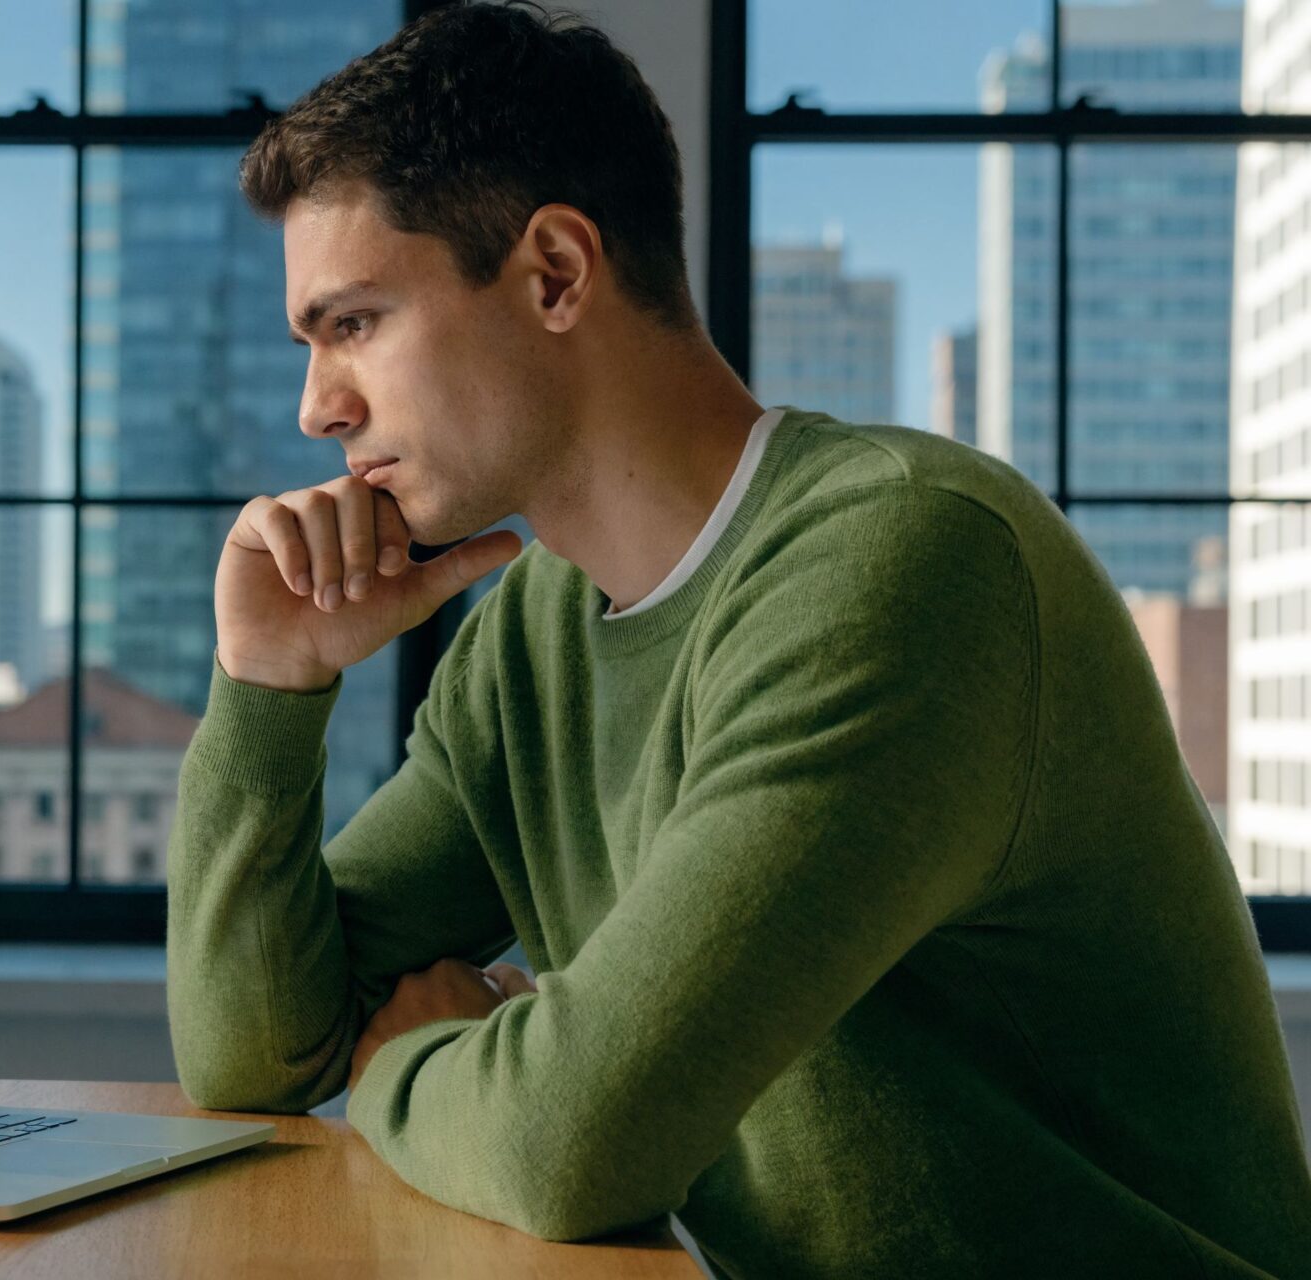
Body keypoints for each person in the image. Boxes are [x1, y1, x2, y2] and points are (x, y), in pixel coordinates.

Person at [163, 3, 1311, 1275]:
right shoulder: (532, 638)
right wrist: (268, 687)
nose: (319, 407)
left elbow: (570, 1141)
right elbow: (252, 1052)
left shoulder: (904, 565)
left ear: (554, 270)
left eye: (355, 323)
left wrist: (411, 1060)